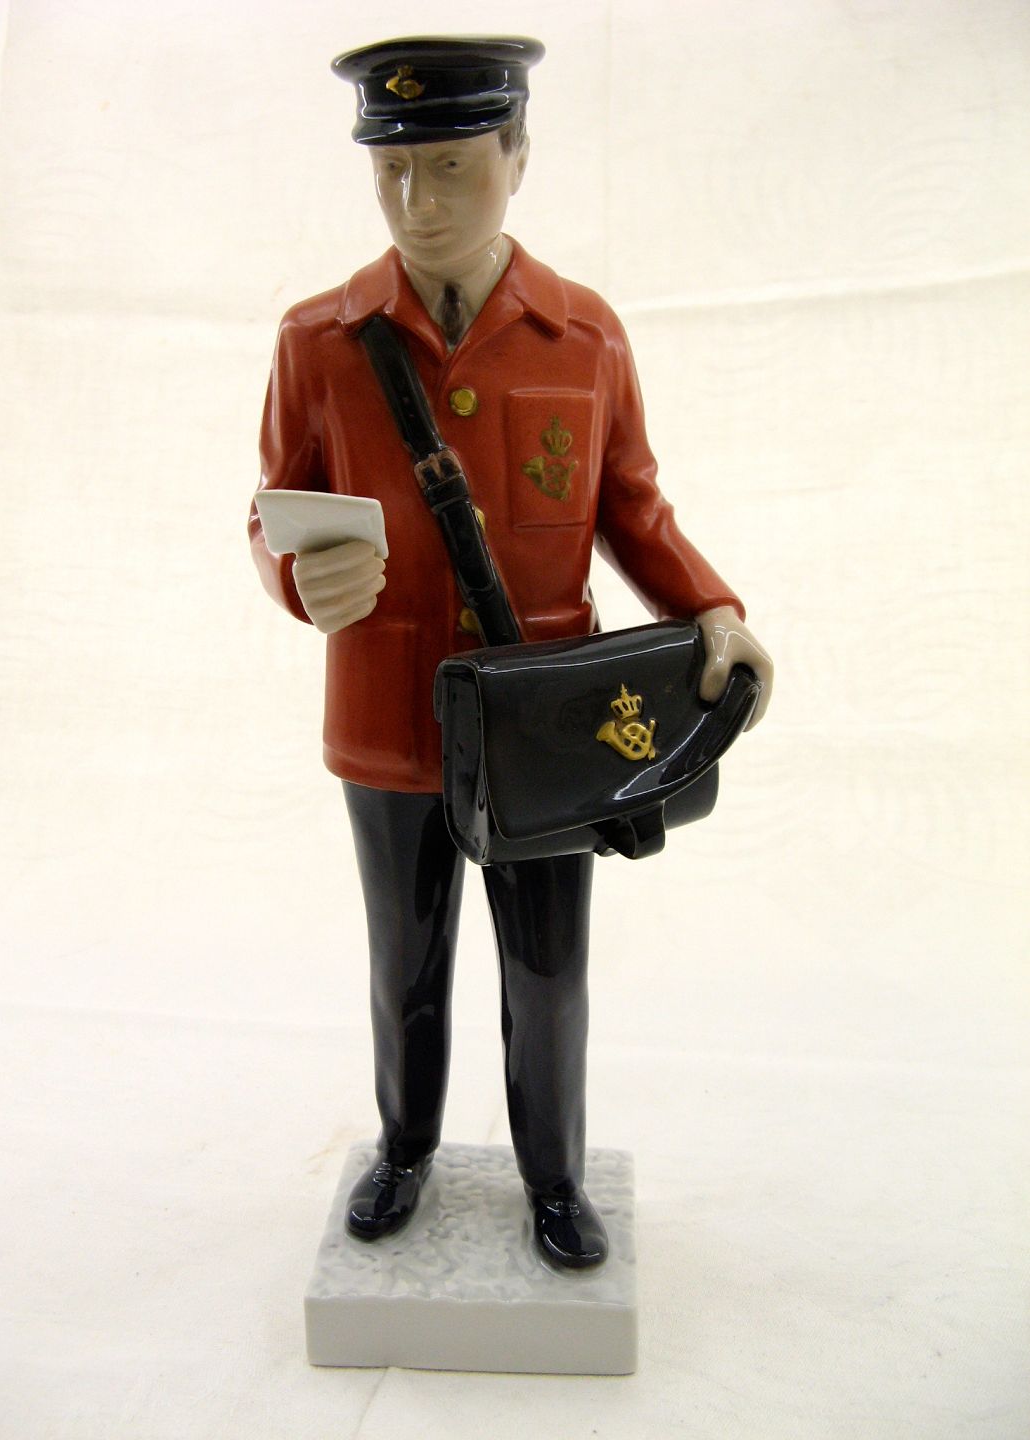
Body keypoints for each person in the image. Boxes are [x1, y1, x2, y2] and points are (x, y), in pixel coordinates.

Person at [249, 36, 773, 1270]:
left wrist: (712, 609)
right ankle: (404, 1147)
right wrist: (295, 578)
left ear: (519, 154)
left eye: (451, 166)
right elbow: (270, 508)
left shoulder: (582, 336)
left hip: (545, 731)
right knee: (405, 960)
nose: (418, 202)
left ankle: (554, 1175)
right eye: (393, 171)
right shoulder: (320, 339)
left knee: (547, 969)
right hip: (387, 716)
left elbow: (631, 508)